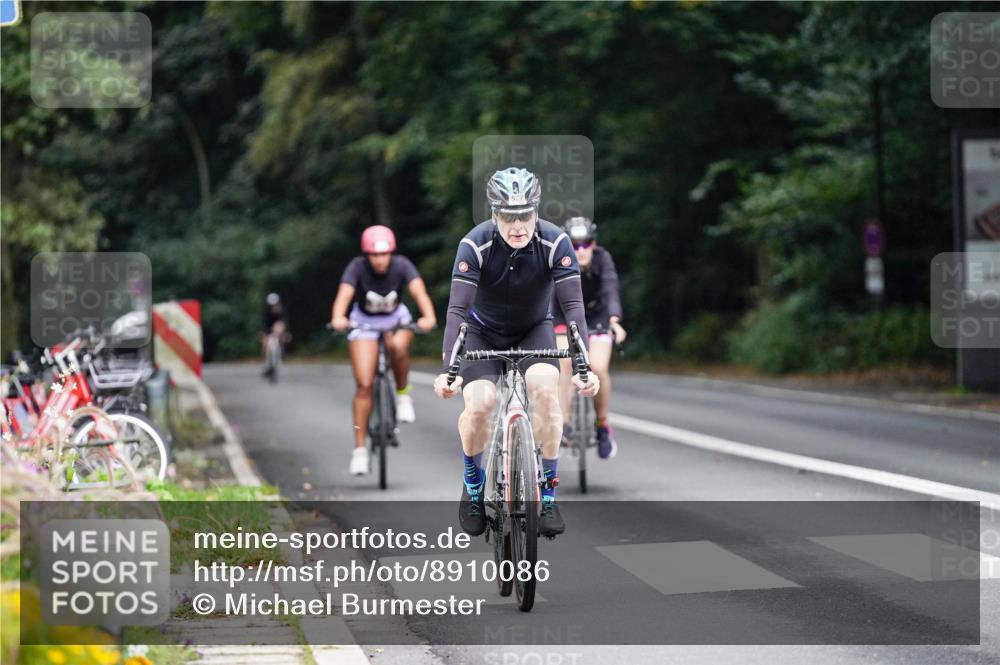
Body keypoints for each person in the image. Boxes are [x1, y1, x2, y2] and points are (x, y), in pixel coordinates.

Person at [433, 167, 599, 538]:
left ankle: (549, 494)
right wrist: (451, 369)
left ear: (536, 211)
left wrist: (584, 366)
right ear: (494, 215)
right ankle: (474, 487)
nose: (518, 225)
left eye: (525, 215)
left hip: (533, 330)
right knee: (480, 404)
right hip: (481, 333)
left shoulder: (556, 242)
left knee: (545, 392)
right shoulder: (474, 244)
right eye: (509, 217)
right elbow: (457, 311)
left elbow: (573, 309)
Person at [330, 225, 436, 476]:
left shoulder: (402, 265)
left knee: (398, 347)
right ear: (367, 255)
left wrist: (428, 316)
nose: (380, 260)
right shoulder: (357, 267)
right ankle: (359, 451)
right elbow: (344, 294)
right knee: (364, 384)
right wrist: (338, 317)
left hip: (395, 319)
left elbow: (418, 291)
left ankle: (402, 395)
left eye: (384, 254)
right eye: (375, 255)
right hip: (363, 323)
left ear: (391, 253)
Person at [552, 217, 627, 459]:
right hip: (563, 317)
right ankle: (565, 423)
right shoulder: (558, 260)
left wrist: (614, 320)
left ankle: (603, 425)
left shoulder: (603, 259)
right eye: (574, 245)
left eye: (585, 245)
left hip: (596, 317)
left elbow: (610, 288)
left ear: (593, 245)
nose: (580, 251)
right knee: (565, 362)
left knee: (598, 366)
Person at [261, 293, 289, 382]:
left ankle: (282, 351)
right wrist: (265, 335)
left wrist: (282, 332)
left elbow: (284, 323)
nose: (273, 306)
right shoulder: (266, 312)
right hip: (269, 329)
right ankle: (267, 362)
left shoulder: (282, 311)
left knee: (280, 332)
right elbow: (264, 325)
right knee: (265, 343)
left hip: (279, 328)